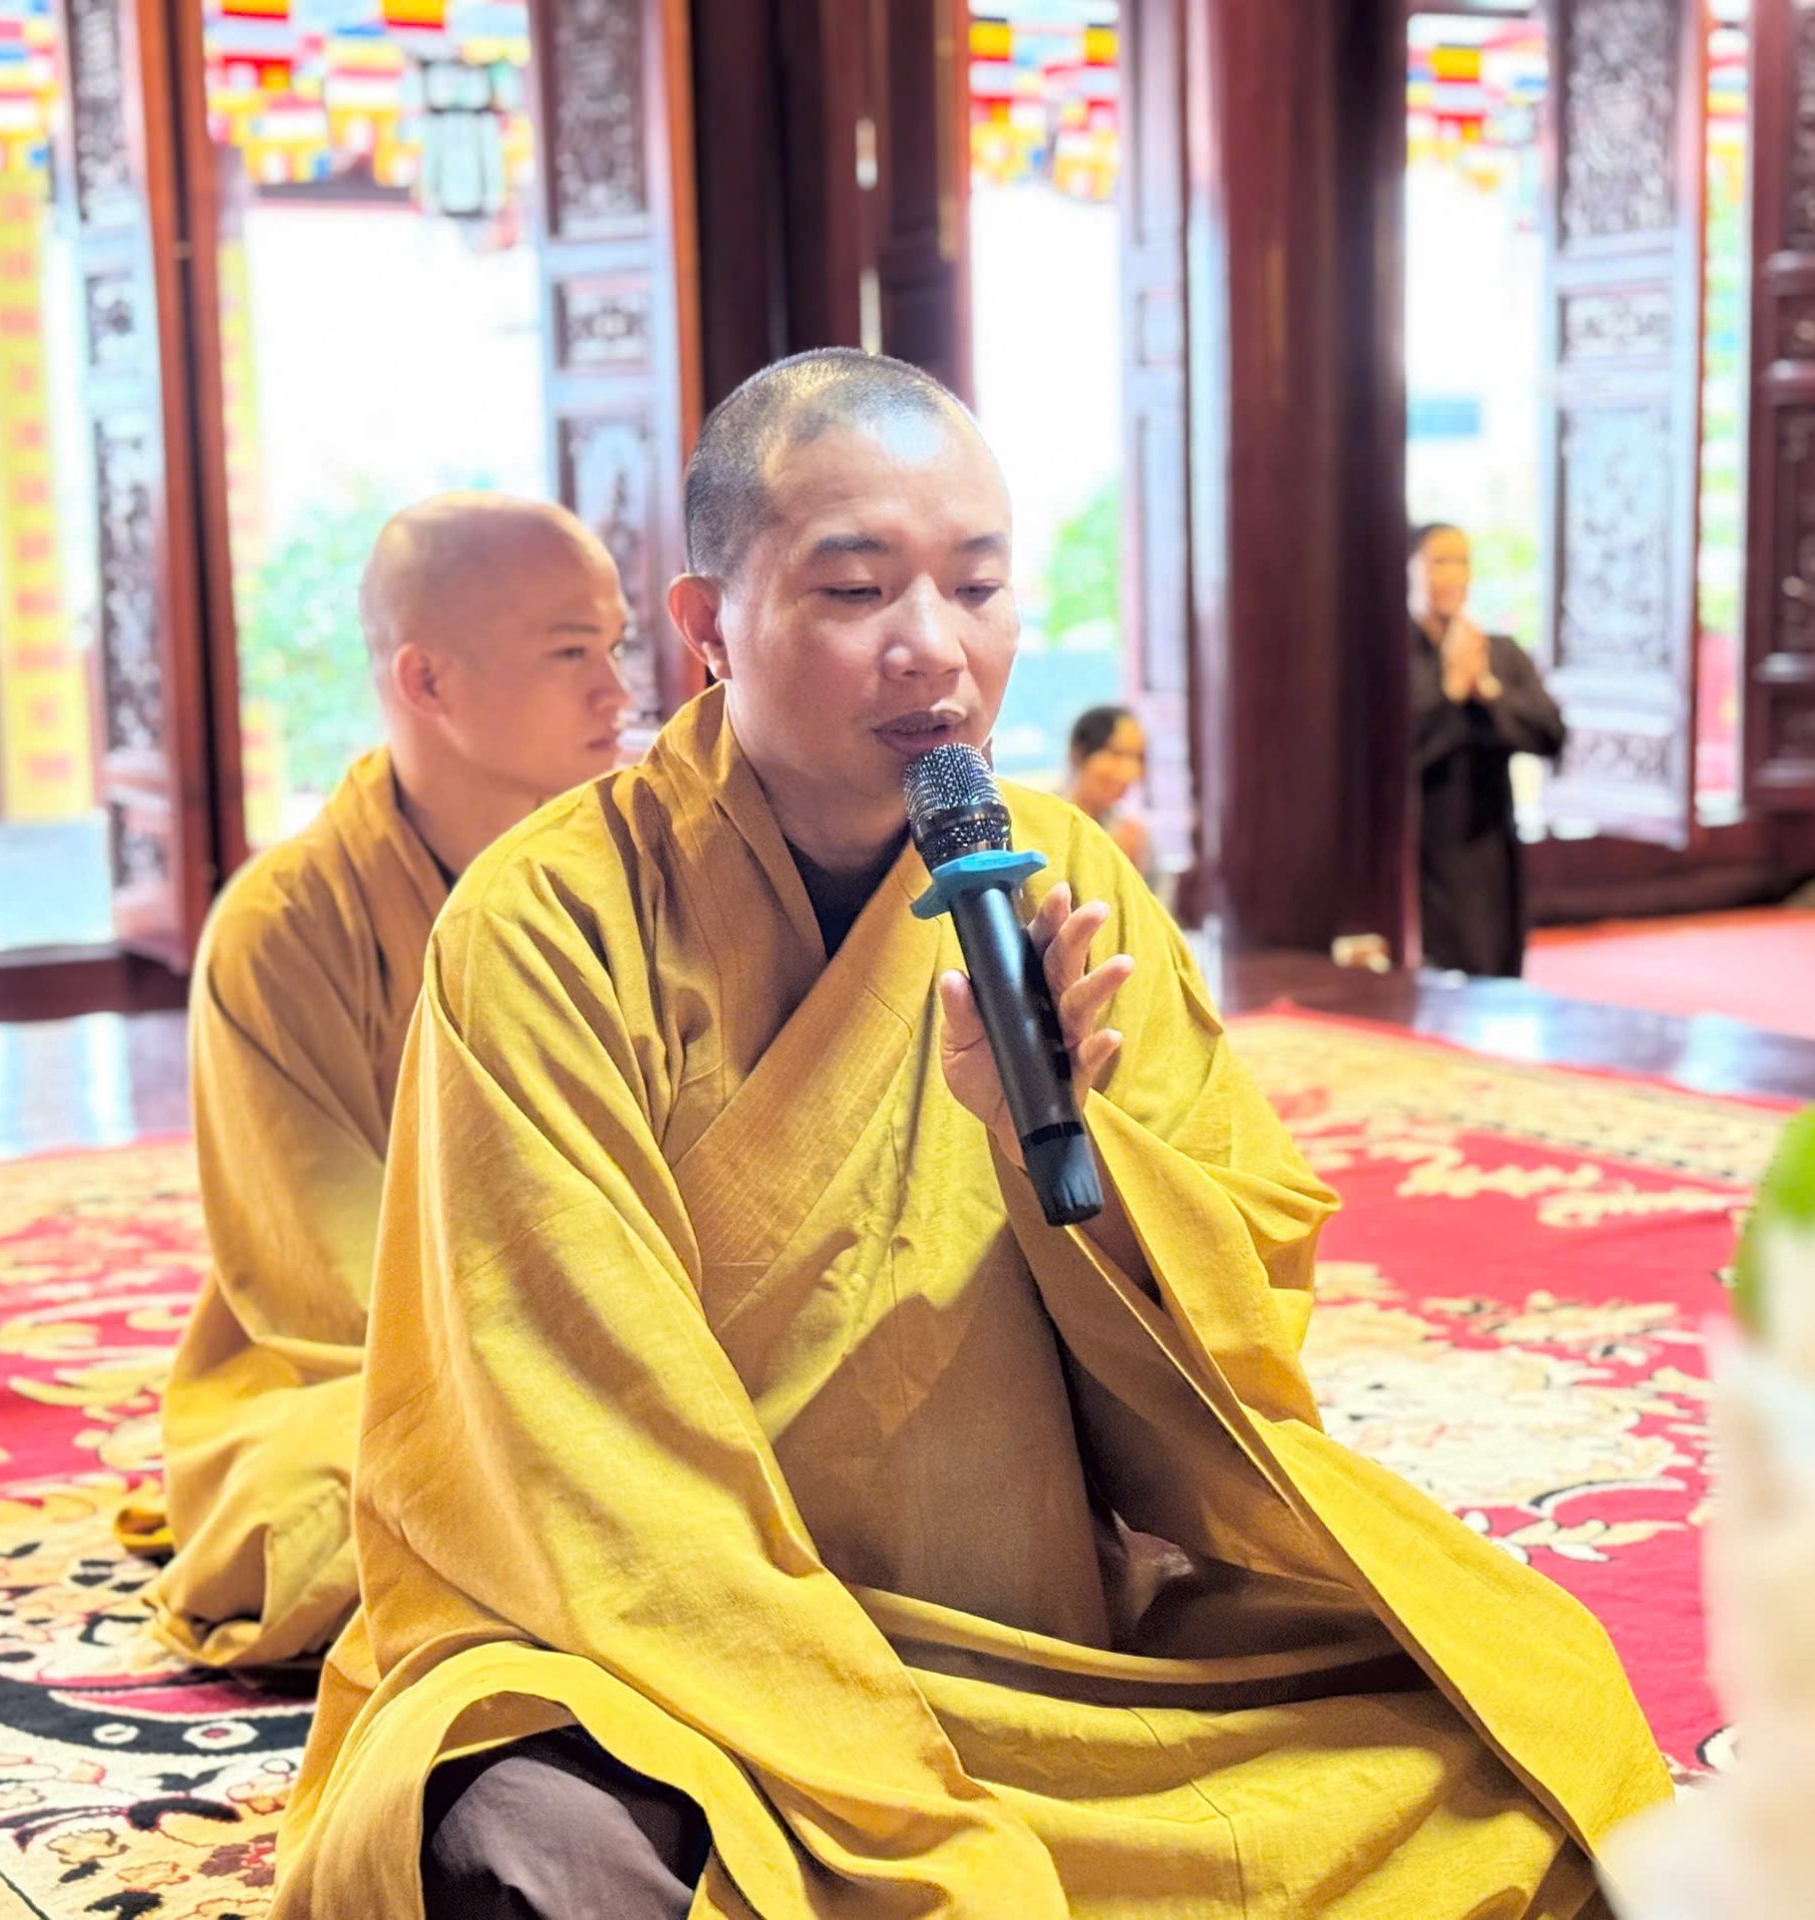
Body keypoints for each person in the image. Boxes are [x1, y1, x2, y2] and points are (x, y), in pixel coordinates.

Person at [267, 351, 1667, 1918]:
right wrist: (830, 1729)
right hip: (660, 1650)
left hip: (1022, 1641)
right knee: (526, 1842)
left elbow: (1240, 1312)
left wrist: (1067, 1162)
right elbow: (559, 1418)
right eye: (855, 590)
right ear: (707, 624)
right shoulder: (546, 923)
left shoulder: (1065, 875)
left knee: (1517, 1709)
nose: (934, 648)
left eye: (981, 588)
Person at [123, 493, 633, 1669]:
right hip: (389, 1376)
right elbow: (328, 1273)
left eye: (615, 648)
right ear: (427, 680)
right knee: (316, 1513)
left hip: (632, 1341)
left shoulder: (636, 875)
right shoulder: (282, 927)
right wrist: (551, 1387)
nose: (616, 692)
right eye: (572, 654)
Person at [1408, 522, 1565, 978]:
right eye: (1438, 561)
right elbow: (1392, 758)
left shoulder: (1498, 652)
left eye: (1461, 561)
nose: (1453, 575)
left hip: (1487, 845)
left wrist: (1488, 691)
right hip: (1420, 847)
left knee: (1492, 969)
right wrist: (1450, 691)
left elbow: (1550, 735)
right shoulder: (1392, 657)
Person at [1062, 703, 1154, 878]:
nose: (1130, 772)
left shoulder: (1135, 837)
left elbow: (1156, 895)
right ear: (1078, 754)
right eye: (1116, 754)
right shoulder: (1041, 821)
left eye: (1139, 758)